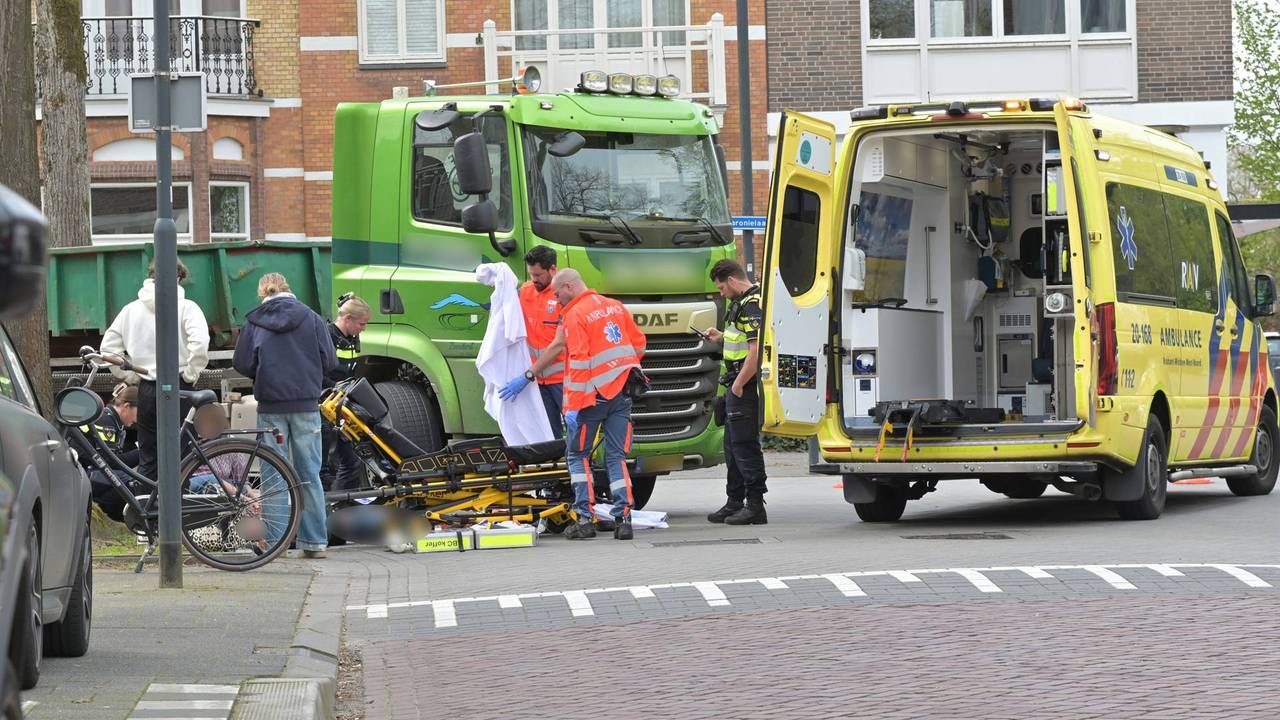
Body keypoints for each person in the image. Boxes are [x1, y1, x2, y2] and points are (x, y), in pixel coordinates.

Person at [232, 273, 337, 558]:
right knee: (309, 475)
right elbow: (330, 360)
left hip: (271, 407)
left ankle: (277, 545)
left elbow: (241, 362)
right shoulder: (312, 318)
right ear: (289, 288)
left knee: (274, 476)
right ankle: (314, 543)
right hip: (305, 406)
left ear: (262, 293)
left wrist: (263, 371)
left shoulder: (254, 321)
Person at [554, 268, 647, 541]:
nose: (557, 299)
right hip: (622, 393)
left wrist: (572, 405)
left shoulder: (574, 314)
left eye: (558, 293)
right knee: (616, 456)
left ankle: (584, 519)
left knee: (577, 455)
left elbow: (580, 361)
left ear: (569, 287)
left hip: (592, 398)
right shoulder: (614, 306)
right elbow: (639, 345)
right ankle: (624, 519)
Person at [101, 259, 210, 482]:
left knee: (149, 457)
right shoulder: (187, 308)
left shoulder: (130, 310)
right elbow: (199, 344)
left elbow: (108, 350)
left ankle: (148, 512)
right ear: (178, 278)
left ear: (151, 276)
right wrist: (190, 374)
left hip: (147, 390)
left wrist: (131, 375)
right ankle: (178, 514)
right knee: (182, 459)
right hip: (179, 386)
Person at [702, 259, 768, 525]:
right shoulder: (739, 304)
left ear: (731, 280)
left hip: (745, 386)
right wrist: (721, 337)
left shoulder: (752, 305)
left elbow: (755, 351)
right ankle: (734, 502)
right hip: (735, 384)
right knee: (732, 447)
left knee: (745, 447)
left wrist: (739, 384)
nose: (721, 293)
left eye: (720, 288)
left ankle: (755, 506)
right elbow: (740, 340)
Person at [499, 246, 567, 438]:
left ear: (552, 270)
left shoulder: (563, 296)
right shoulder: (526, 291)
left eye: (538, 274)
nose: (534, 279)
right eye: (531, 274)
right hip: (537, 381)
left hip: (562, 381)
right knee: (548, 435)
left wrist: (528, 374)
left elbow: (559, 345)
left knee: (577, 432)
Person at [323, 293, 370, 492]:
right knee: (323, 467)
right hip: (325, 405)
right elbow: (316, 372)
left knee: (353, 462)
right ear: (347, 319)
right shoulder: (326, 336)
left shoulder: (352, 337)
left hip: (343, 405)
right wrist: (335, 385)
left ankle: (342, 507)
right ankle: (326, 511)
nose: (363, 329)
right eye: (361, 324)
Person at [81, 383, 141, 522]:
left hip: (91, 473)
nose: (138, 419)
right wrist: (142, 453)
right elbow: (110, 462)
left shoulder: (113, 420)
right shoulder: (105, 420)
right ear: (126, 406)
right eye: (138, 412)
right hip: (86, 474)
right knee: (133, 484)